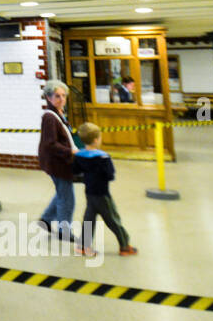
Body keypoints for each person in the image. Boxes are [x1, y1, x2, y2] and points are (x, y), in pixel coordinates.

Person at [72, 123, 137, 257]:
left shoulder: (79, 156)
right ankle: (124, 246)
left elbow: (75, 171)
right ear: (96, 140)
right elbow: (110, 175)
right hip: (102, 194)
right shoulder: (103, 157)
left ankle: (84, 246)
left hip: (89, 193)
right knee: (113, 220)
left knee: (89, 219)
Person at [36, 79, 77, 242]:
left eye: (64, 96)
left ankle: (46, 219)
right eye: (57, 96)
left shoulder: (59, 114)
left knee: (63, 193)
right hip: (58, 162)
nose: (62, 99)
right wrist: (70, 152)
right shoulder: (50, 117)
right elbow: (50, 144)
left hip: (62, 161)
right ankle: (63, 230)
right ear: (48, 97)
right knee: (67, 197)